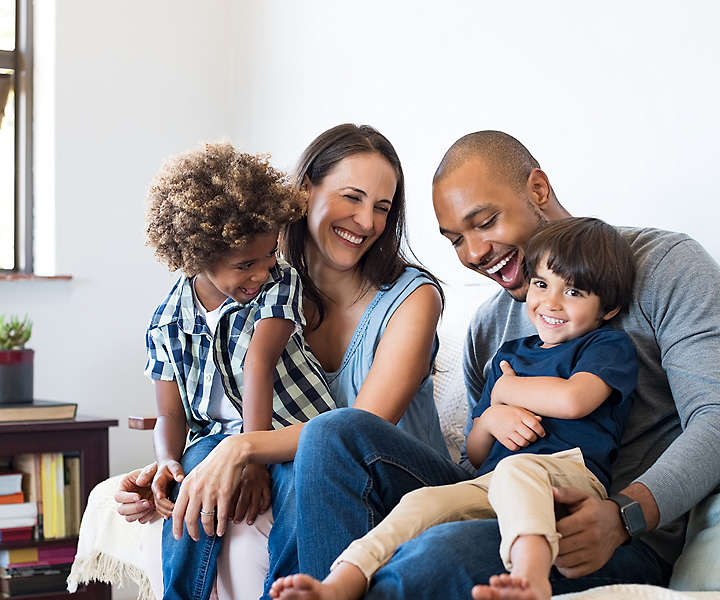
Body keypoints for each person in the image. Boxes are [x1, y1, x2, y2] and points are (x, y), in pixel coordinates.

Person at [276, 130, 720, 599]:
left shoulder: (665, 266)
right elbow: (478, 461)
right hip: (501, 498)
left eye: (485, 222)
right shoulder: (489, 327)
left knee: (433, 556)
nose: (473, 254)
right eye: (455, 241)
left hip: (603, 530)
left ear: (538, 190)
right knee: (334, 433)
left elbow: (714, 418)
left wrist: (625, 514)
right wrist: (491, 418)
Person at [114, 124, 451, 600]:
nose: (367, 221)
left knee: (312, 457)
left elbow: (359, 429)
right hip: (297, 459)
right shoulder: (260, 284)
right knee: (206, 466)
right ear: (304, 191)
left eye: (382, 207)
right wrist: (171, 469)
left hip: (394, 480)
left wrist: (244, 449)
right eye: (352, 198)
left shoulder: (411, 298)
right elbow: (206, 400)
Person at [269, 216, 638, 600]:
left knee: (517, 469)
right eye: (542, 284)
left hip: (569, 478)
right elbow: (476, 453)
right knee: (421, 502)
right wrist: (492, 415)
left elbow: (574, 399)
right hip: (491, 482)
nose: (551, 303)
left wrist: (508, 390)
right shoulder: (509, 355)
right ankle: (341, 582)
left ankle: (531, 577)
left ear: (608, 309)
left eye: (574, 293)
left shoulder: (605, 346)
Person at [143, 143, 337, 600]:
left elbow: (258, 362)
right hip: (214, 437)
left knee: (298, 486)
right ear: (196, 257)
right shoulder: (167, 321)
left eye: (268, 254)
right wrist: (168, 461)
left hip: (293, 430)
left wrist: (250, 457)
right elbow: (170, 415)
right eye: (244, 265)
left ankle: (288, 591)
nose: (261, 271)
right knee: (193, 481)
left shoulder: (280, 281)